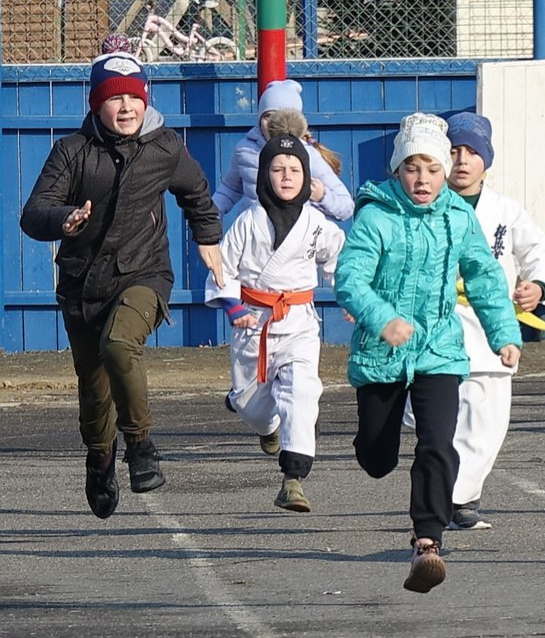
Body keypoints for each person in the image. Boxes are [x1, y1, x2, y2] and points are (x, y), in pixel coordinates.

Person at [20, 49, 225, 516]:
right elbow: (33, 213)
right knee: (94, 390)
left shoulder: (165, 146)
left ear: (146, 100)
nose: (127, 107)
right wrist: (64, 218)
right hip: (82, 286)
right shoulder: (73, 151)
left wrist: (208, 238)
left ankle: (141, 446)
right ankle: (100, 458)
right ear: (97, 104)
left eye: (134, 97)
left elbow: (196, 193)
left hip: (143, 274)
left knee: (120, 346)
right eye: (115, 100)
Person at [335, 112, 521, 594]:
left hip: (439, 347)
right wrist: (384, 319)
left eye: (433, 169)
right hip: (383, 351)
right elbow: (349, 279)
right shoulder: (376, 216)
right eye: (413, 168)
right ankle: (375, 443)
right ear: (398, 170)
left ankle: (427, 542)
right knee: (377, 457)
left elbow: (483, 276)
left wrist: (505, 333)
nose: (423, 179)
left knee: (439, 442)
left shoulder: (458, 217)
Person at [397, 111, 545, 530]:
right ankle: (448, 492)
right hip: (432, 326)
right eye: (454, 152)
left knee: (486, 425)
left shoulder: (505, 209)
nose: (463, 160)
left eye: (472, 152)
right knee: (426, 416)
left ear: (487, 159)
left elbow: (537, 251)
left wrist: (537, 286)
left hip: (489, 328)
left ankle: (457, 498)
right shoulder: (421, 205)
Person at [205, 133, 345, 513]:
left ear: (306, 177)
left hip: (298, 321)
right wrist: (233, 307)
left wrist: (349, 295)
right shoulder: (248, 222)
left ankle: (293, 479)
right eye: (278, 169)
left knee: (302, 390)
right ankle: (264, 426)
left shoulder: (317, 225)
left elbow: (340, 261)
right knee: (252, 405)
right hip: (254, 323)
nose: (286, 177)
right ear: (265, 175)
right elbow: (223, 269)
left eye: (295, 170)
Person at [212, 76, 353, 222]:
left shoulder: (308, 154)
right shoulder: (245, 149)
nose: (273, 124)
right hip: (253, 235)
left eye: (279, 118)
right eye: (267, 117)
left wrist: (322, 196)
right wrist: (209, 213)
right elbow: (230, 189)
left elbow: (346, 207)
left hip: (295, 236)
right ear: (259, 119)